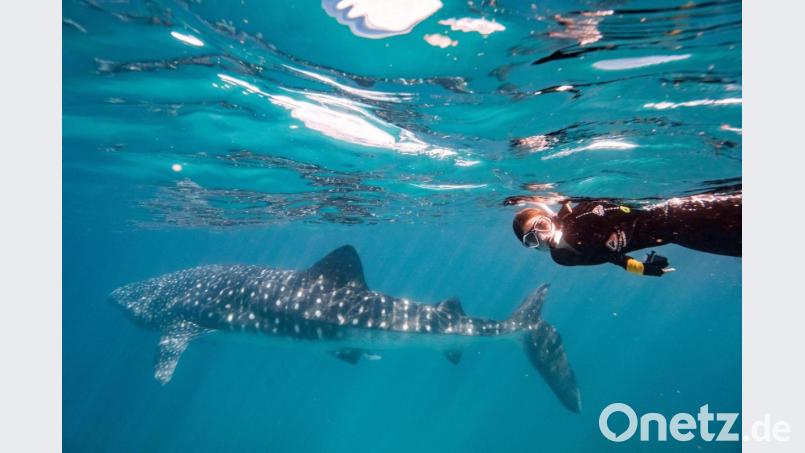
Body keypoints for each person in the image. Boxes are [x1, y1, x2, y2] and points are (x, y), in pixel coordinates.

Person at [511, 194, 741, 277]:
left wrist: (602, 212)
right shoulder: (564, 257)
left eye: (541, 227)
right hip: (677, 234)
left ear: (551, 219)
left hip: (680, 211)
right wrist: (642, 268)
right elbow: (610, 256)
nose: (542, 238)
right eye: (532, 240)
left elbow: (626, 208)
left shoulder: (581, 213)